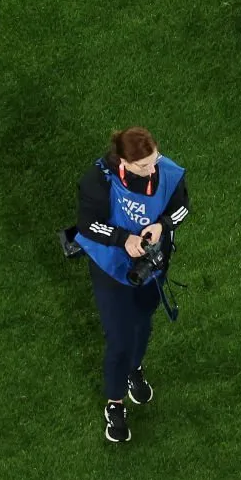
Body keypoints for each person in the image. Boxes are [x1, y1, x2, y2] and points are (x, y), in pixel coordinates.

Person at [76, 127, 191, 444]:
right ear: (123, 162)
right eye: (143, 166)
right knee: (120, 340)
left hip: (151, 268)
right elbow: (87, 225)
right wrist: (123, 239)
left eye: (154, 159)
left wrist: (162, 225)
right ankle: (114, 405)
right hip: (111, 269)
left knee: (143, 326)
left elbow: (182, 208)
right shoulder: (98, 181)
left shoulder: (166, 172)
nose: (152, 169)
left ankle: (134, 370)